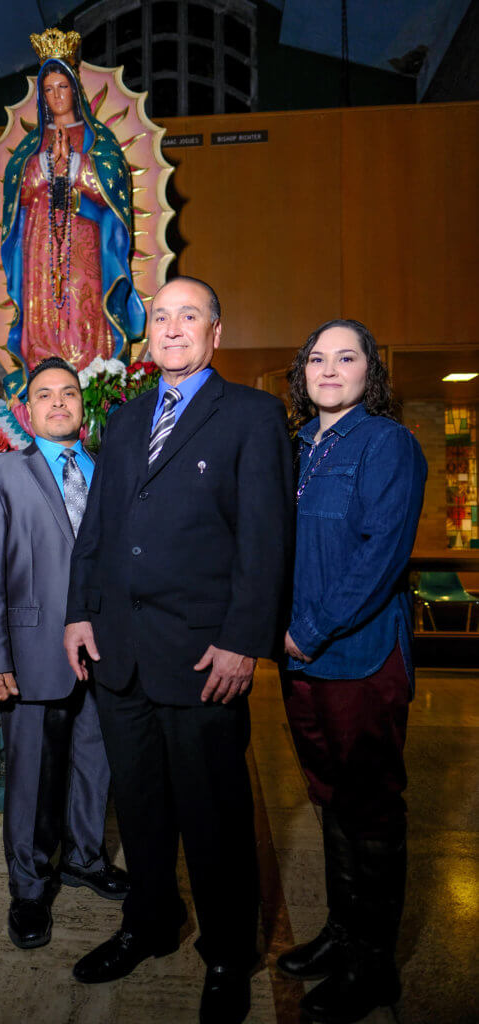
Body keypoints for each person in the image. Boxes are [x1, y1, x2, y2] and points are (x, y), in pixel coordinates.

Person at [64, 277, 294, 1024]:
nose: (169, 329)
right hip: (119, 653)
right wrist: (77, 615)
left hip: (203, 660)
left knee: (214, 817)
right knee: (139, 809)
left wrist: (241, 642)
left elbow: (265, 540)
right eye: (158, 317)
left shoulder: (254, 417)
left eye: (186, 316)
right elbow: (95, 530)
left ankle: (228, 952)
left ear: (215, 332)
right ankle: (149, 921)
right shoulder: (125, 420)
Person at [277, 320, 427, 1024]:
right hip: (298, 659)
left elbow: (379, 557)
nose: (328, 370)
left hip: (358, 656)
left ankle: (374, 967)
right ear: (301, 372)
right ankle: (341, 936)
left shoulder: (386, 444)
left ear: (372, 372)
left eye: (346, 358)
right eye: (317, 358)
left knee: (369, 806)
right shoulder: (295, 447)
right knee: (328, 796)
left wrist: (306, 630)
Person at [0, 356, 129, 951]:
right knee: (32, 776)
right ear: (26, 411)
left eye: (69, 394)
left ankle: (84, 857)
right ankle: (29, 888)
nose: (59, 403)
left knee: (95, 760)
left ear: (83, 407)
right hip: (31, 651)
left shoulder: (109, 470)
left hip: (105, 651)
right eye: (45, 396)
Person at [0, 46, 145, 399]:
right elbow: (17, 191)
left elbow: (113, 187)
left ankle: (88, 377)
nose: (55, 96)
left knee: (84, 300)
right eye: (48, 90)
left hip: (85, 235)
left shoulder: (100, 141)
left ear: (75, 90)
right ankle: (42, 377)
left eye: (62, 87)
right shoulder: (32, 146)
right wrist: (47, 168)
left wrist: (76, 166)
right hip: (39, 241)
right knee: (44, 304)